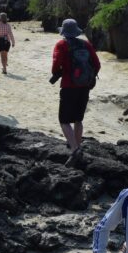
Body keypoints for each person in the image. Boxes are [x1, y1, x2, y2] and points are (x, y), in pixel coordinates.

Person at [50, 18, 100, 164]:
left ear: (64, 32)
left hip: (68, 86)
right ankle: (77, 146)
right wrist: (88, 78)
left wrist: (57, 72)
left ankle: (74, 149)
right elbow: (97, 64)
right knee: (78, 119)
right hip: (84, 86)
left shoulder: (61, 44)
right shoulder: (86, 44)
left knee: (64, 121)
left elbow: (56, 63)